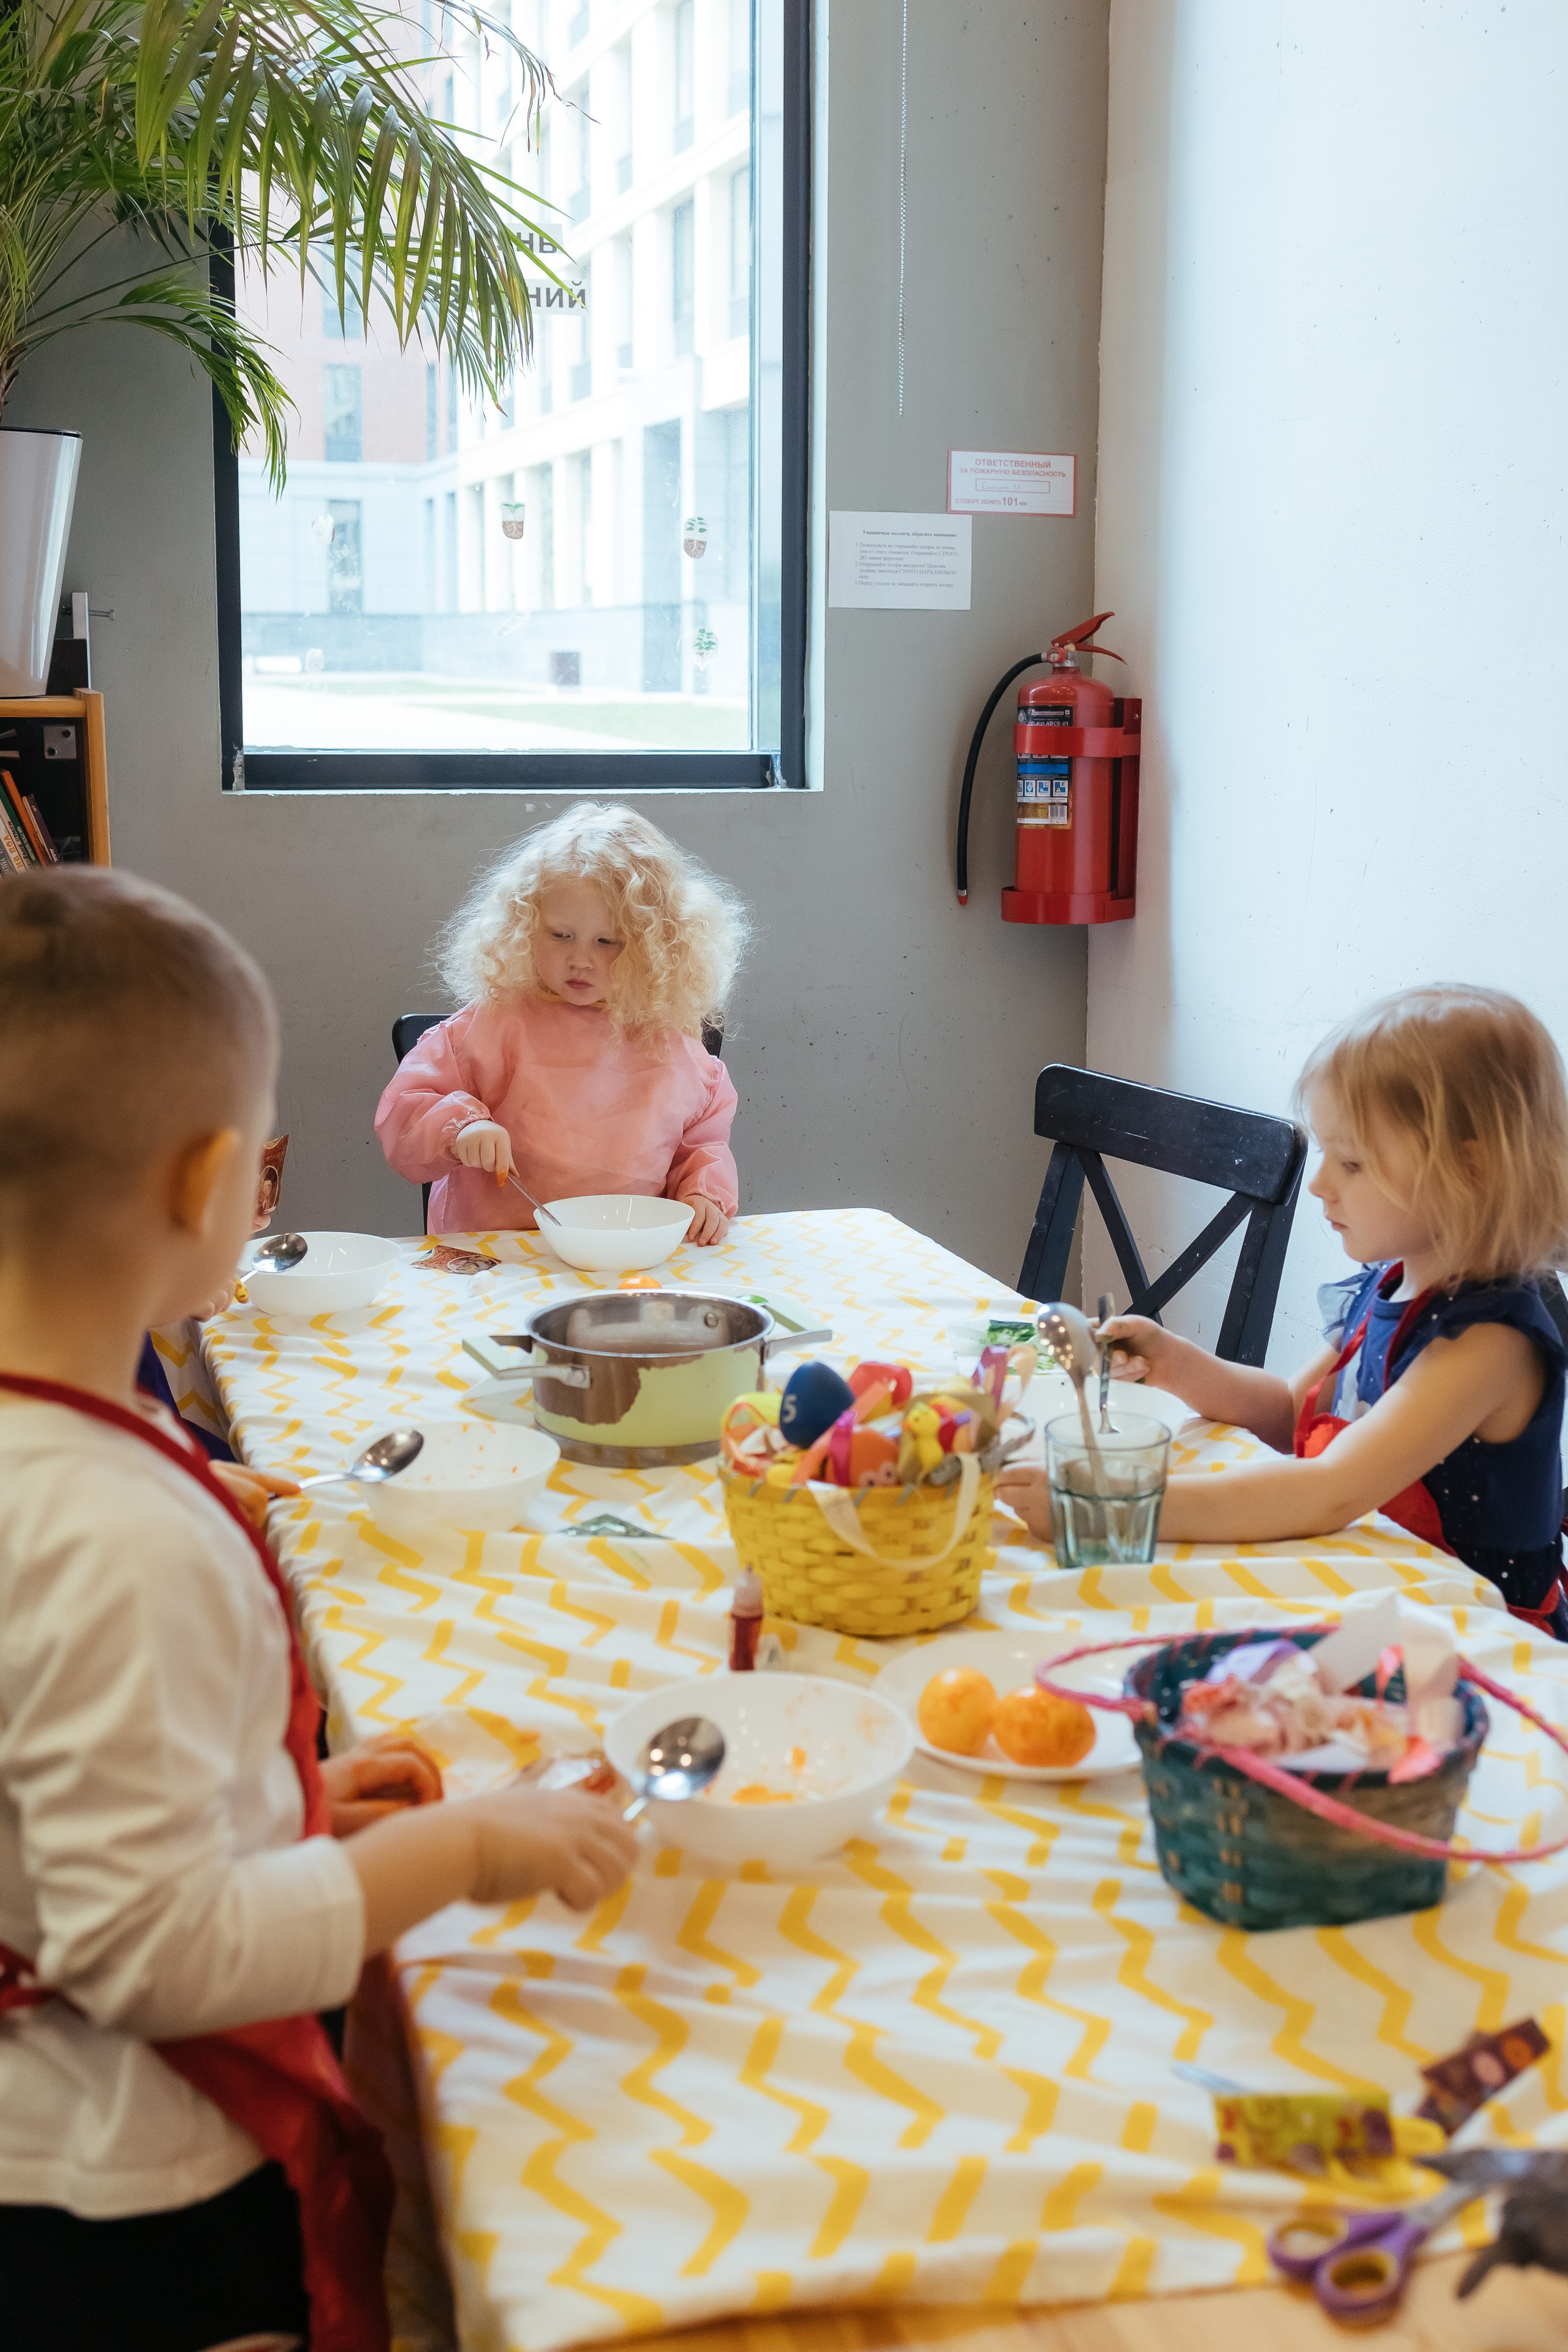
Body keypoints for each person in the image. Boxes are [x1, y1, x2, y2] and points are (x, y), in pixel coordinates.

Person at [0, 867, 638, 2352]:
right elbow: (155, 1952)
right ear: (201, 1182)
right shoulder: (111, 1531)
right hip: (121, 2202)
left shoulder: (71, 1440)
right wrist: (460, 1843)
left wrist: (278, 1798)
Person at [998, 986, 1568, 1635]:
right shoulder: (1389, 1284)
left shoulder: (1489, 1343)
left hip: (1466, 1636)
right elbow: (1292, 1412)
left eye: (1352, 1162)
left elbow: (1329, 1490)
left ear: (1470, 1172)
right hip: (1374, 1592)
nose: (1321, 1183)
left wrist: (1108, 1505)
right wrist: (1176, 1362)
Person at [376, 803, 747, 1242]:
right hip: (501, 1258)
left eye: (608, 942)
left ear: (657, 946)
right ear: (525, 926)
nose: (580, 960)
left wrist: (703, 1194)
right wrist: (461, 1128)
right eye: (560, 935)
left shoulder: (673, 1044)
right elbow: (407, 1111)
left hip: (626, 1253)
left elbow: (703, 1145)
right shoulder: (491, 1025)